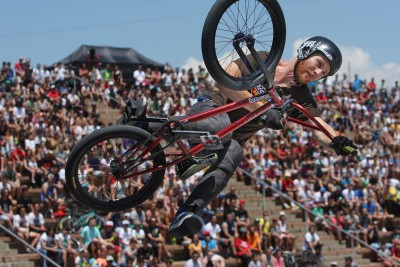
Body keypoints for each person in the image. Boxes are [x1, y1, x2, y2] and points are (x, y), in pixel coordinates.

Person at [119, 36, 357, 237]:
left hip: (227, 139)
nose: (317, 72)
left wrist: (338, 141)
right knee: (223, 127)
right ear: (305, 51)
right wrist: (263, 110)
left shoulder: (300, 97)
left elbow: (319, 126)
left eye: (323, 72)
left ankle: (186, 213)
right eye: (318, 64)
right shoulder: (264, 60)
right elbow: (224, 79)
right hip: (212, 108)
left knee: (234, 151)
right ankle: (142, 124)